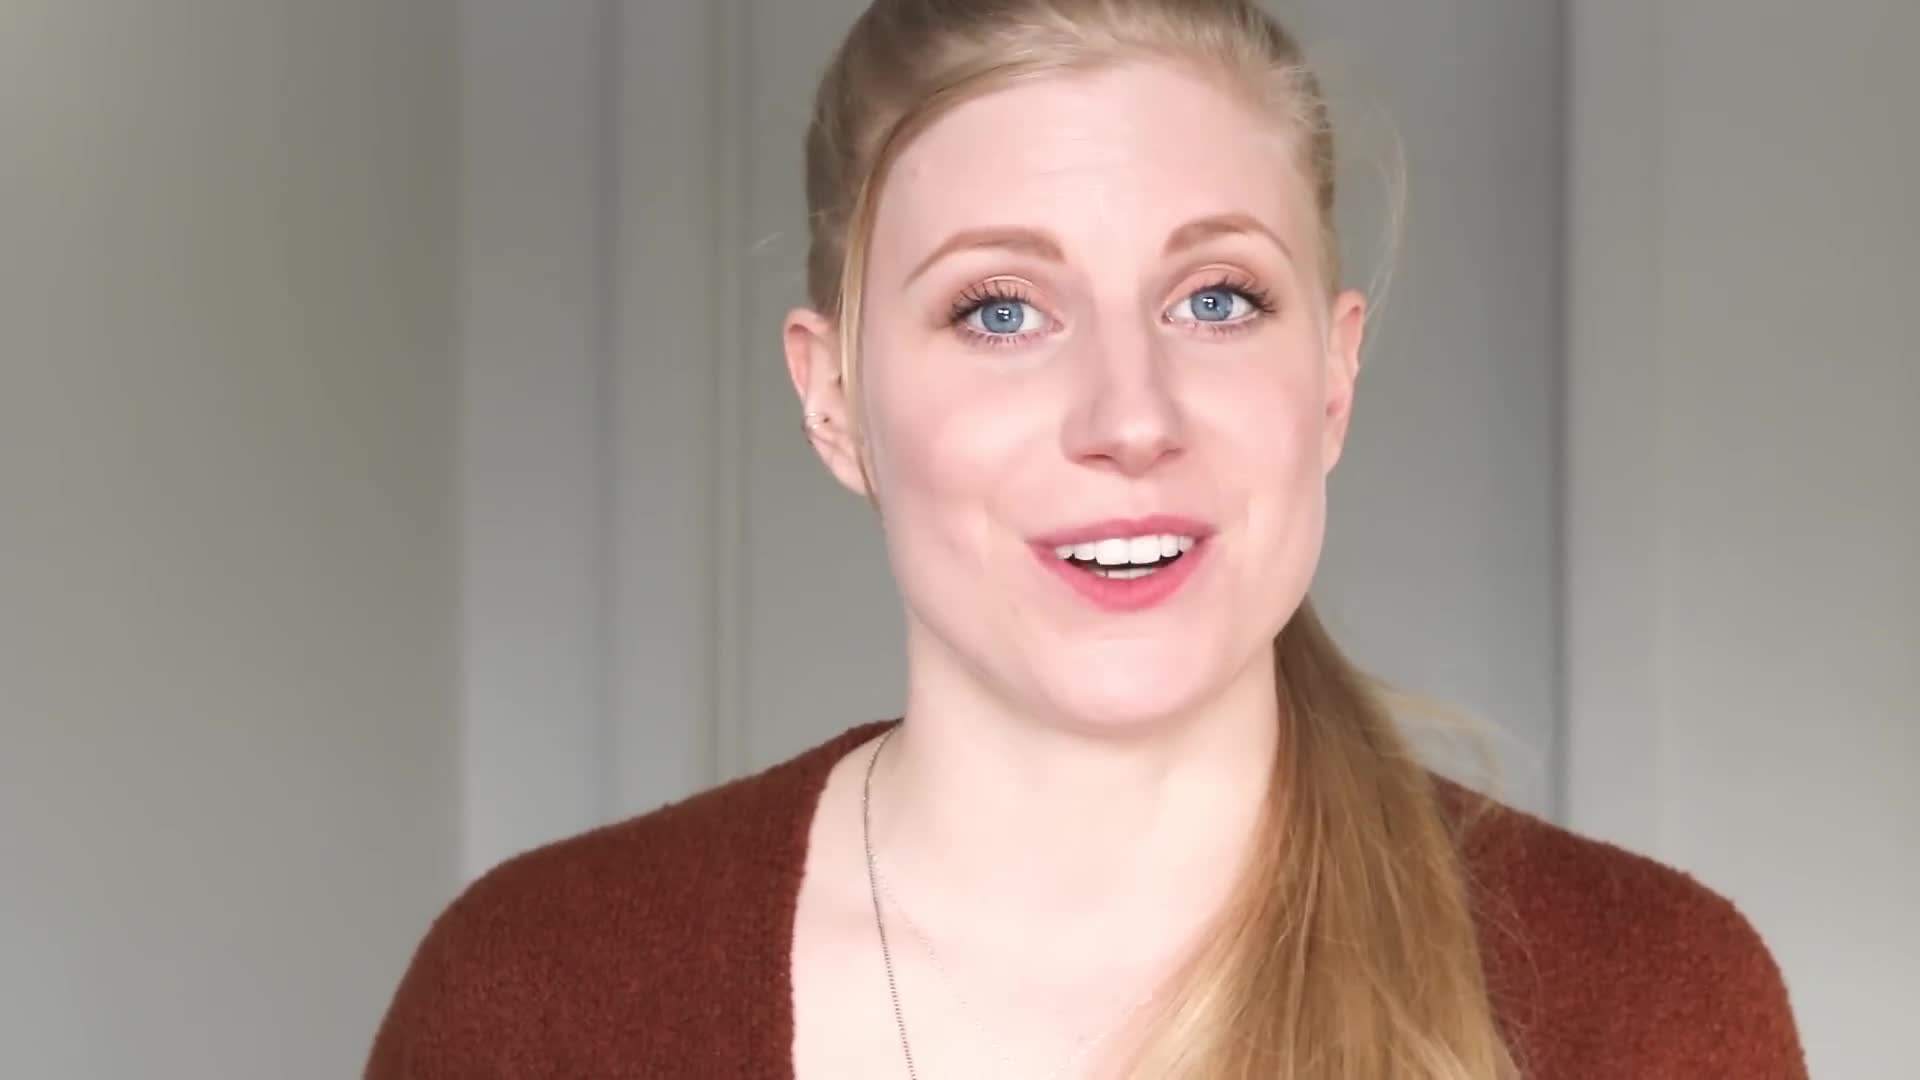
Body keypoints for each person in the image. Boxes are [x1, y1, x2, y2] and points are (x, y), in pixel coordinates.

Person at [366, 1, 1808, 1076]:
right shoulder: (539, 998)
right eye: (999, 308)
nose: (1131, 416)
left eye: (1217, 299)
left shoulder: (1649, 1003)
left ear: (1332, 378)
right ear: (833, 401)